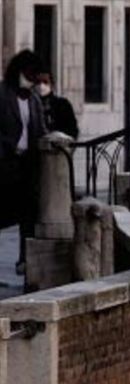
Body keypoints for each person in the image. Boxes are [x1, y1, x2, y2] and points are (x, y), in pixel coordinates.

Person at [0, 49, 47, 273]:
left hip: (28, 165)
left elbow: (41, 130)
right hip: (5, 162)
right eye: (29, 75)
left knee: (28, 215)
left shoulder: (35, 100)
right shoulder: (2, 94)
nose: (32, 80)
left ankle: (24, 259)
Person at [34, 69, 78, 140]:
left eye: (45, 82)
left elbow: (73, 131)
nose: (41, 85)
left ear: (52, 85)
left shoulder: (63, 104)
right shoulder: (30, 105)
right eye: (38, 82)